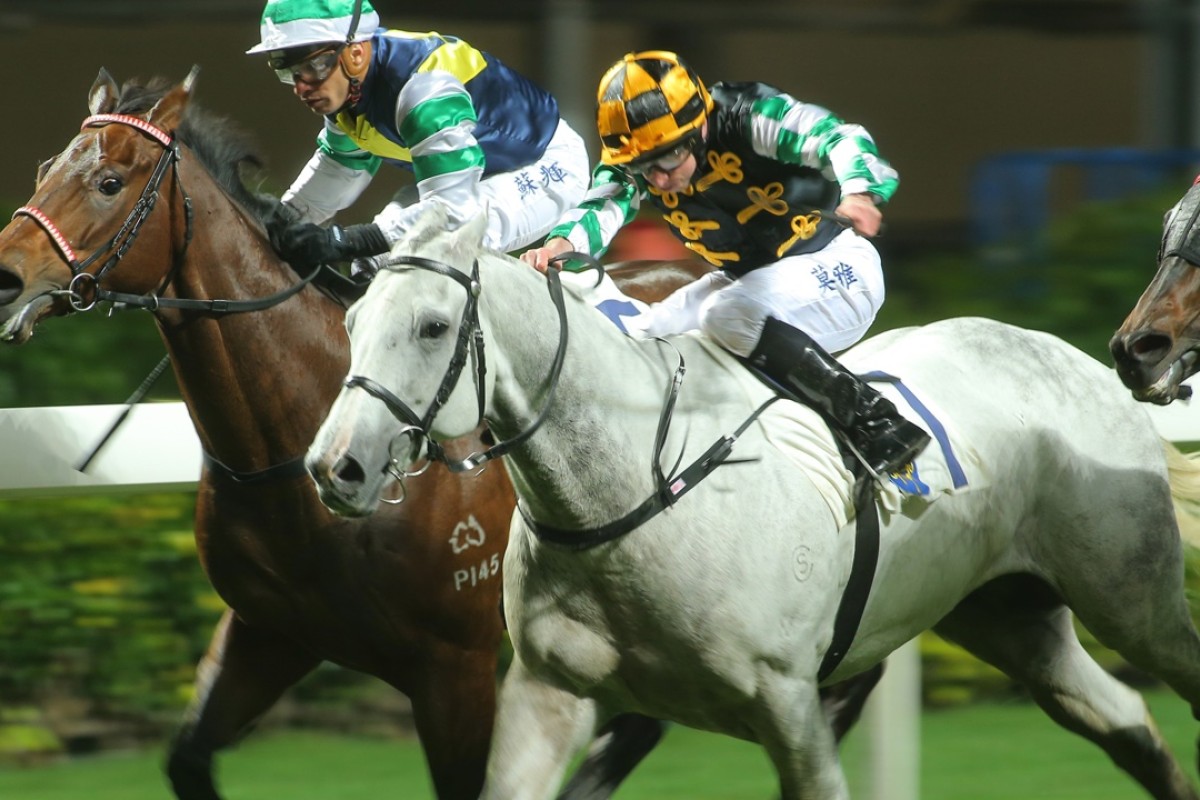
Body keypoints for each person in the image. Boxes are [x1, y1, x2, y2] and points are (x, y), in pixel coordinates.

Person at [521, 50, 929, 478]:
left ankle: (879, 423)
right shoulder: (641, 156)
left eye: (666, 160)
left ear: (698, 127)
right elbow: (605, 202)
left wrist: (862, 192)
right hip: (749, 281)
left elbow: (838, 136)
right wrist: (559, 246)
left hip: (836, 267)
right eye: (643, 166)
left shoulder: (745, 115)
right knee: (638, 336)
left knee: (727, 313)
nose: (657, 179)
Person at [246, 0, 590, 274]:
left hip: (544, 163)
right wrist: (273, 223)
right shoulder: (348, 94)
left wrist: (342, 240)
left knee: (429, 255)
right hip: (468, 176)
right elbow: (338, 172)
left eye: (312, 67)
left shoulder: (423, 90)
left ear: (355, 53)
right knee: (370, 266)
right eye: (288, 71)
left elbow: (455, 213)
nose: (302, 86)